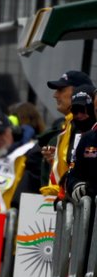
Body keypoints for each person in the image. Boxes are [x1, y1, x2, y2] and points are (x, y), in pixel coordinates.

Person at [41, 69, 94, 198]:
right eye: (75, 111)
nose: (55, 95)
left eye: (61, 90)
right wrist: (57, 161)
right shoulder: (68, 126)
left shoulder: (87, 127)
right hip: (64, 201)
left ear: (79, 91)